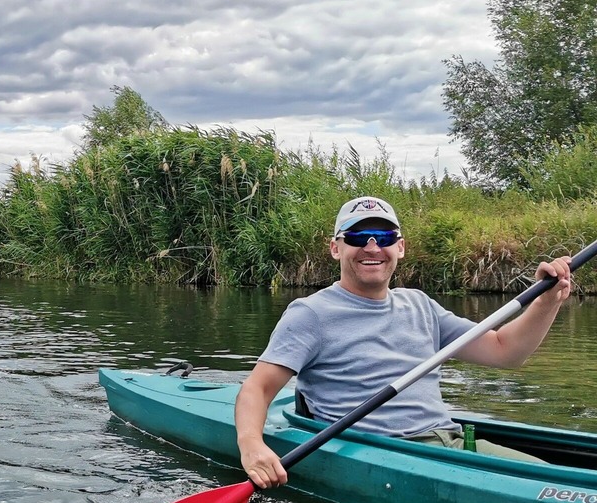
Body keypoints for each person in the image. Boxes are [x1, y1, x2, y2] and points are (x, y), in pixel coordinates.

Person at [235, 195, 573, 486]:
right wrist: (252, 444)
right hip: (380, 455)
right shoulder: (310, 314)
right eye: (358, 236)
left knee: (557, 478)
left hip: (447, 441)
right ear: (336, 248)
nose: (372, 247)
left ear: (400, 247)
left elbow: (505, 351)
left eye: (383, 236)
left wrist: (547, 301)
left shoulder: (420, 304)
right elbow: (258, 388)